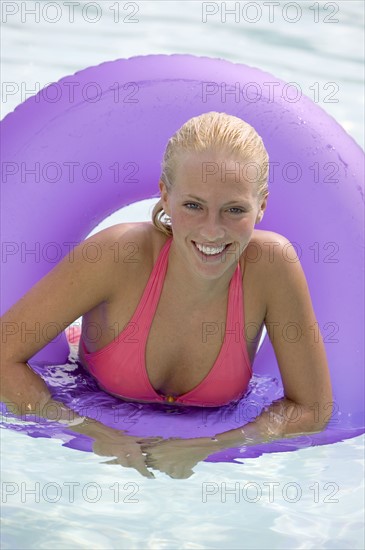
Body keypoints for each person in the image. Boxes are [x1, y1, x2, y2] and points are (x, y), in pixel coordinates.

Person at [0, 112, 332, 479]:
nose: (212, 231)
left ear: (262, 206)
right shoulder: (117, 255)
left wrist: (215, 444)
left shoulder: (273, 267)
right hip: (85, 397)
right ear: (165, 195)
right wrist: (87, 429)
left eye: (234, 210)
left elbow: (312, 409)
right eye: (193, 205)